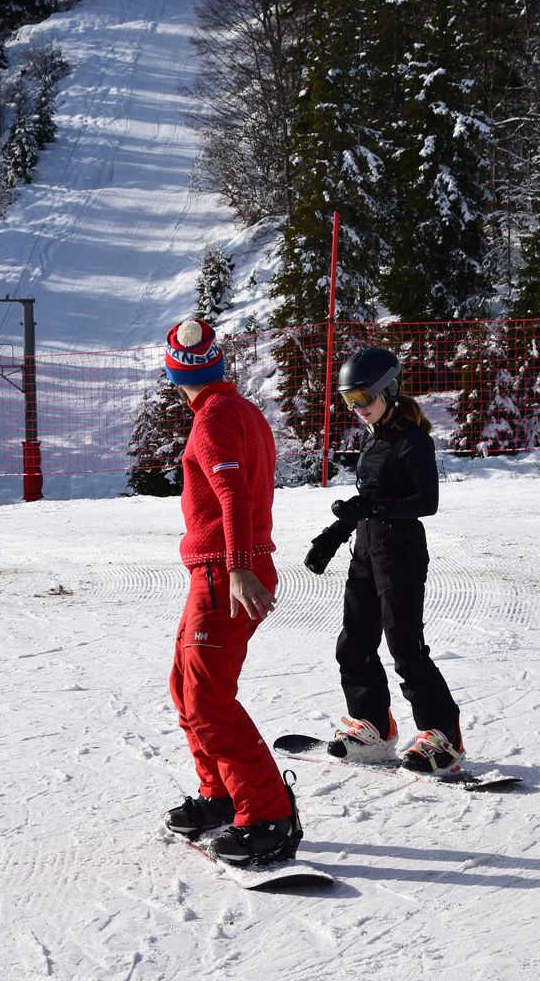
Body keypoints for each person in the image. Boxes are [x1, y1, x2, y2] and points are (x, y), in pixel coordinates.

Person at [161, 318, 300, 866]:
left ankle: (267, 816)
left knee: (207, 699)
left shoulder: (213, 419)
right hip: (220, 571)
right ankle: (221, 796)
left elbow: (234, 495)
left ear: (173, 371)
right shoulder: (240, 410)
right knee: (185, 686)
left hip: (226, 573)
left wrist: (239, 566)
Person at [304, 347, 464, 775]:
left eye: (363, 399)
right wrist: (334, 536)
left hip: (401, 552)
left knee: (405, 649)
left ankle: (442, 736)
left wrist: (370, 512)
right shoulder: (375, 436)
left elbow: (425, 502)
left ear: (389, 391)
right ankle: (372, 726)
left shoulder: (413, 439)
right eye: (348, 401)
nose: (356, 409)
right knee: (354, 642)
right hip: (367, 550)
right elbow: (367, 503)